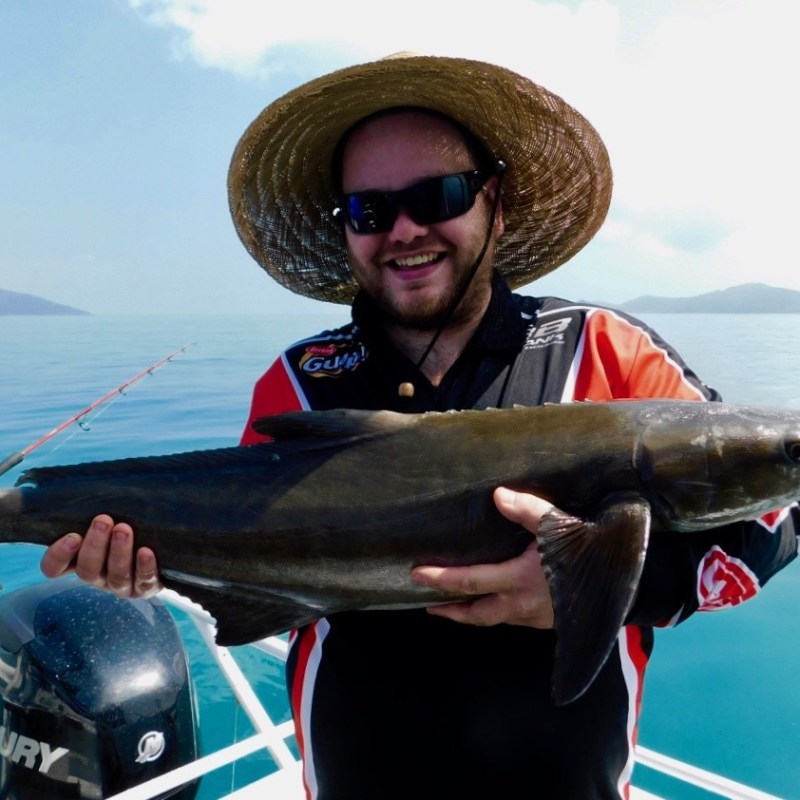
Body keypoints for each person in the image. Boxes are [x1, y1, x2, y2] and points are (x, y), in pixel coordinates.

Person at [41, 55, 797, 798]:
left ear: (493, 203)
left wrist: (600, 586)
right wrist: (148, 563)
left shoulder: (605, 348)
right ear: (348, 231)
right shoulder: (299, 379)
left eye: (437, 196)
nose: (404, 230)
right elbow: (250, 563)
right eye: (370, 211)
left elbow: (779, 519)